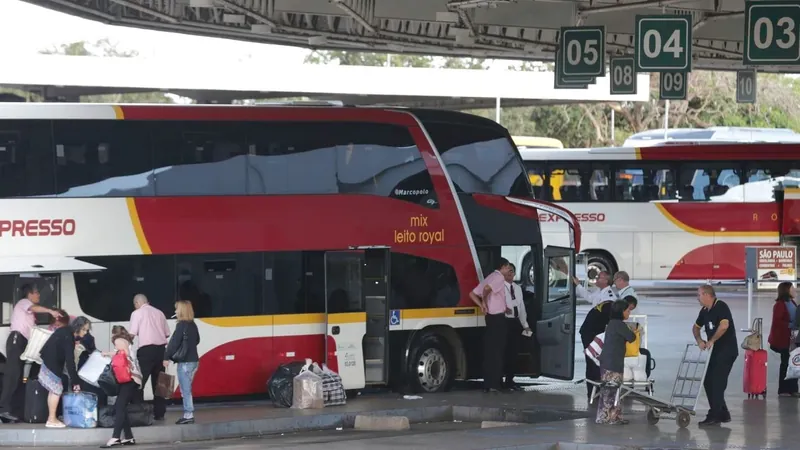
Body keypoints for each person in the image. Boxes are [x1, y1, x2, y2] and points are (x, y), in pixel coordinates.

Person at [0, 284, 61, 423]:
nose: (39, 295)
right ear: (29, 294)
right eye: (36, 293)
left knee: (21, 377)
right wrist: (51, 311)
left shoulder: (30, 314)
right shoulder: (23, 303)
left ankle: (12, 411)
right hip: (17, 339)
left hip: (24, 342)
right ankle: (2, 409)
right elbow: (34, 308)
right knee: (12, 375)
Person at [693, 284, 738, 426]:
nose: (697, 298)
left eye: (699, 295)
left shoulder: (721, 307)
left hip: (727, 351)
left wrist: (712, 340)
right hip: (714, 352)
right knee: (708, 381)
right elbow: (695, 327)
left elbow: (724, 326)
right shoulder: (705, 310)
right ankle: (723, 412)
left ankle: (715, 414)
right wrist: (700, 340)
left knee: (717, 383)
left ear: (707, 295)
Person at [579, 296, 638, 400]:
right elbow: (627, 334)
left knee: (592, 363)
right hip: (590, 333)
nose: (630, 313)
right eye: (629, 309)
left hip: (591, 332)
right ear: (622, 307)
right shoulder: (612, 313)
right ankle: (595, 392)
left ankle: (594, 392)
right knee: (593, 364)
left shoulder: (610, 306)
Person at [470, 258, 514, 393]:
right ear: (503, 267)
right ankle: (495, 384)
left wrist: (483, 304)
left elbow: (472, 294)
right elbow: (487, 290)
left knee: (489, 351)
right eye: (508, 268)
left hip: (490, 318)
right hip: (498, 319)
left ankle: (488, 383)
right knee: (497, 352)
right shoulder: (499, 278)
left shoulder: (490, 276)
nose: (508, 271)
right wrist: (483, 302)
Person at [38, 314, 91, 429]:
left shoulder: (65, 331)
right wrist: (75, 381)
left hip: (48, 360)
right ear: (78, 327)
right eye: (84, 329)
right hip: (52, 362)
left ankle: (51, 418)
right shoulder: (68, 337)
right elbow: (70, 361)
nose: (86, 332)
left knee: (53, 390)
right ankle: (51, 419)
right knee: (57, 390)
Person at [129, 293, 170, 420]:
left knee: (139, 382)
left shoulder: (137, 313)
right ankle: (160, 413)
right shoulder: (160, 313)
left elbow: (132, 334)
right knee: (160, 384)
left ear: (137, 303)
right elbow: (167, 334)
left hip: (146, 351)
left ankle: (139, 412)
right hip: (161, 351)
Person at [596, 300, 636, 425]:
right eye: (627, 310)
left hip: (609, 361)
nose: (629, 313)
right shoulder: (619, 325)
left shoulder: (612, 324)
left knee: (612, 389)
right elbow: (631, 337)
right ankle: (606, 417)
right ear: (621, 312)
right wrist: (634, 329)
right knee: (611, 390)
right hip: (612, 362)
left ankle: (613, 416)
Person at [101, 327, 143, 448]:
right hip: (132, 378)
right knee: (121, 407)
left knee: (119, 406)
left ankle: (115, 437)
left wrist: (107, 354)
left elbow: (124, 353)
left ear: (114, 333)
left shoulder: (119, 340)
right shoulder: (126, 340)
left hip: (129, 378)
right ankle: (129, 437)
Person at [164, 300, 201, 424]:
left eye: (177, 309)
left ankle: (188, 414)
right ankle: (188, 413)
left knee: (185, 390)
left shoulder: (181, 325)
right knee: (187, 388)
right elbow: (197, 340)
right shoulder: (192, 324)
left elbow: (174, 343)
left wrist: (166, 357)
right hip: (194, 361)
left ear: (181, 310)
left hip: (184, 362)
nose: (175, 311)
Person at [502, 263, 530, 390]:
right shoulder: (500, 287)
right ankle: (499, 379)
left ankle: (510, 380)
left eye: (512, 271)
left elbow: (522, 307)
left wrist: (525, 325)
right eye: (508, 271)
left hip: (515, 322)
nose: (510, 274)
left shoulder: (517, 288)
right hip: (504, 322)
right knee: (504, 352)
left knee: (514, 353)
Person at [768, 281, 799, 397]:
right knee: (786, 363)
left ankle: (793, 389)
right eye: (792, 288)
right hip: (783, 340)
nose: (794, 290)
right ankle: (784, 389)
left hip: (792, 338)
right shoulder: (780, 305)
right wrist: (792, 325)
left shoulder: (791, 302)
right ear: (786, 290)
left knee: (794, 363)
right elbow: (778, 322)